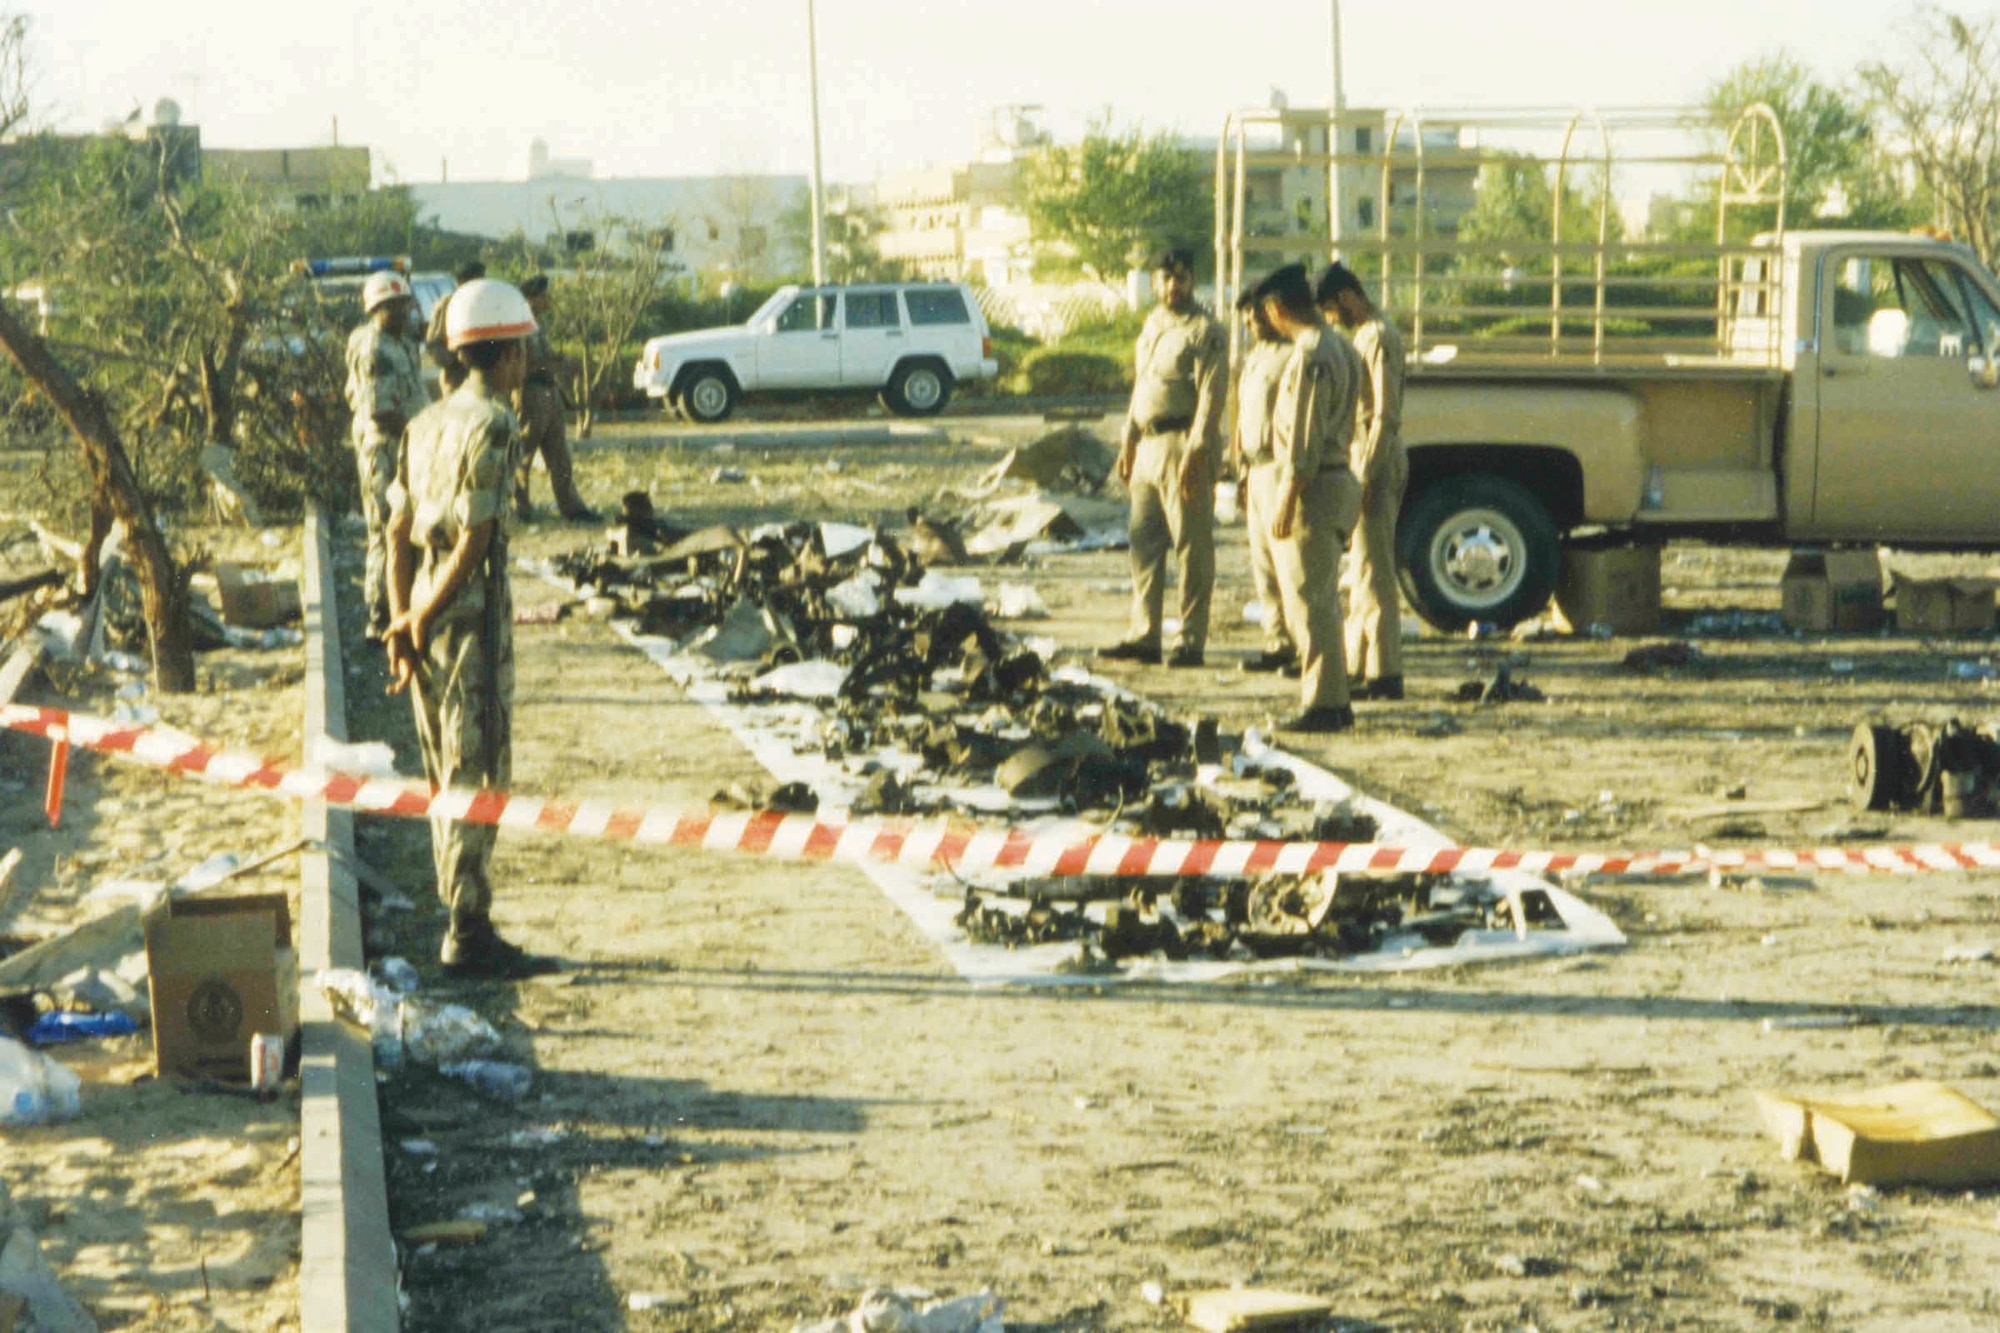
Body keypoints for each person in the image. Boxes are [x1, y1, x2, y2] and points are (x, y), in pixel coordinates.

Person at [384, 277, 559, 980]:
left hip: (424, 600)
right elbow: (477, 537)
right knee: (478, 764)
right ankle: (468, 928)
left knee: (440, 766)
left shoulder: (423, 424)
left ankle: (461, 911)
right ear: (508, 354)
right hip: (467, 614)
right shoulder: (495, 425)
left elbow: (396, 530)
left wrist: (403, 616)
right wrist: (425, 617)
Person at [1101, 247, 1227, 668]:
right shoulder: (1153, 324)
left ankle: (1189, 641)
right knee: (1144, 544)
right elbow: (1142, 386)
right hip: (1148, 446)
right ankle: (1144, 635)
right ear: (1154, 283)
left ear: (1193, 281)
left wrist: (1198, 451)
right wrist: (1128, 441)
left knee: (1192, 547)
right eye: (1166, 279)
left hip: (1183, 444)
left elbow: (1211, 398)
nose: (1174, 286)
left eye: (1182, 278)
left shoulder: (1205, 330)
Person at [1257, 264, 1364, 733]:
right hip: (1337, 477)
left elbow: (1303, 437)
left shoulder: (1310, 354)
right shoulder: (1342, 344)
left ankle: (1323, 703)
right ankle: (1334, 698)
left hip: (1314, 486)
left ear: (1277, 309)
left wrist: (1285, 498)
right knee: (1320, 597)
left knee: (1309, 599)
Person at [1318, 262, 1409, 700]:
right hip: (1362, 453)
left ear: (1347, 298)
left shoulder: (1378, 338)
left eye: (1333, 310)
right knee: (1361, 569)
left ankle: (1385, 672)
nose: (1332, 320)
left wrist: (1368, 472)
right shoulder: (1364, 336)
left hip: (1376, 456)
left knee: (1374, 569)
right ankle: (1363, 662)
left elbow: (1384, 414)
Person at [343, 269, 430, 639]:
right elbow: (381, 410)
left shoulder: (399, 339)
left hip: (403, 442)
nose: (403, 313)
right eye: (394, 307)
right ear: (376, 308)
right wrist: (420, 439)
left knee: (408, 527)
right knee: (385, 528)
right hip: (385, 447)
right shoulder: (374, 348)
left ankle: (403, 604)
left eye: (404, 305)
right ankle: (379, 616)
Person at [1231, 288, 1298, 675]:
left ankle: (1304, 645)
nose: (1249, 323)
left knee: (1289, 563)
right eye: (1245, 318)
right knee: (1263, 565)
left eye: (1255, 315)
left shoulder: (1293, 356)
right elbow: (1242, 417)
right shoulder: (1255, 358)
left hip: (1279, 466)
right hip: (1254, 469)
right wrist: (1240, 471)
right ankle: (1277, 642)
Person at [512, 274, 597, 521]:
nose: (547, 300)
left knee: (559, 453)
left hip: (548, 392)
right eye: (543, 296)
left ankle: (571, 506)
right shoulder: (520, 328)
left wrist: (556, 362)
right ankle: (520, 507)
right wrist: (550, 363)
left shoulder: (538, 325)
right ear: (531, 299)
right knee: (523, 454)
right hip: (530, 393)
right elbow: (522, 365)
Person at [425, 261, 486, 395]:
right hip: (456, 379)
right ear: (462, 281)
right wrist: (459, 358)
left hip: (481, 380)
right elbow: (434, 345)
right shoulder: (447, 304)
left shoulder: (482, 303)